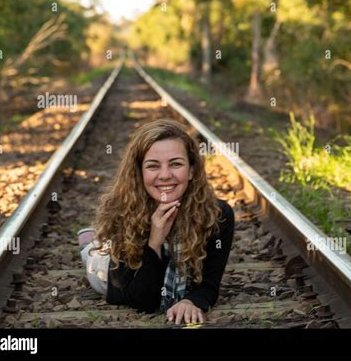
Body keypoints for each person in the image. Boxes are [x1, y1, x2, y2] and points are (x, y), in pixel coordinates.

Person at [79, 118, 235, 325]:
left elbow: (209, 285)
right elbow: (142, 300)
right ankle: (87, 243)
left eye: (176, 164)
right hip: (107, 275)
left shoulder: (218, 214)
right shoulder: (122, 211)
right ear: (140, 172)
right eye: (153, 166)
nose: (164, 175)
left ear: (191, 170)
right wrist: (155, 240)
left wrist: (192, 301)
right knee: (94, 256)